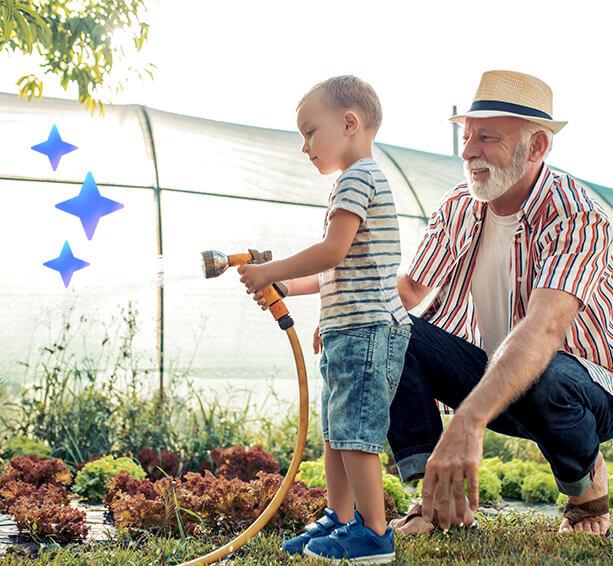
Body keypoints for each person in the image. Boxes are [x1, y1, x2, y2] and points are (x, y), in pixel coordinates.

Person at [387, 70, 613, 538]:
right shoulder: (458, 205)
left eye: (487, 137)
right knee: (385, 328)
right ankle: (438, 500)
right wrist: (355, 312)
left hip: (586, 388)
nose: (468, 151)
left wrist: (468, 421)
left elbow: (545, 329)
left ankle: (586, 494)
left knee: (546, 374)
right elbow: (409, 291)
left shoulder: (579, 216)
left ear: (536, 148)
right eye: (466, 135)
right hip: (494, 376)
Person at [238, 75, 411, 563]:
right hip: (350, 331)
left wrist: (271, 269)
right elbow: (341, 266)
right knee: (338, 432)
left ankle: (375, 535)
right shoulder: (353, 179)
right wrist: (287, 287)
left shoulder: (359, 177)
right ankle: (341, 520)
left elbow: (331, 250)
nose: (304, 147)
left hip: (368, 331)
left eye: (310, 132)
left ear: (350, 123)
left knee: (355, 435)